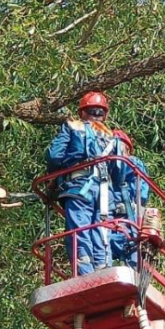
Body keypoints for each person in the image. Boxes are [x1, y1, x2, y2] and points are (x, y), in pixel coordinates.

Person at [45, 91, 116, 275]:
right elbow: (119, 171)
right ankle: (104, 272)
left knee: (79, 229)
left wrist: (54, 177)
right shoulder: (112, 137)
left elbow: (54, 156)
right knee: (102, 229)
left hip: (79, 186)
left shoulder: (73, 126)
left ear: (82, 112)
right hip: (105, 192)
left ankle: (85, 274)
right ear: (105, 114)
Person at [109, 129, 150, 269]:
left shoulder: (132, 162)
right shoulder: (105, 167)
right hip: (110, 217)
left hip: (128, 213)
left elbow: (142, 192)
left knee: (132, 247)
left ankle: (135, 276)